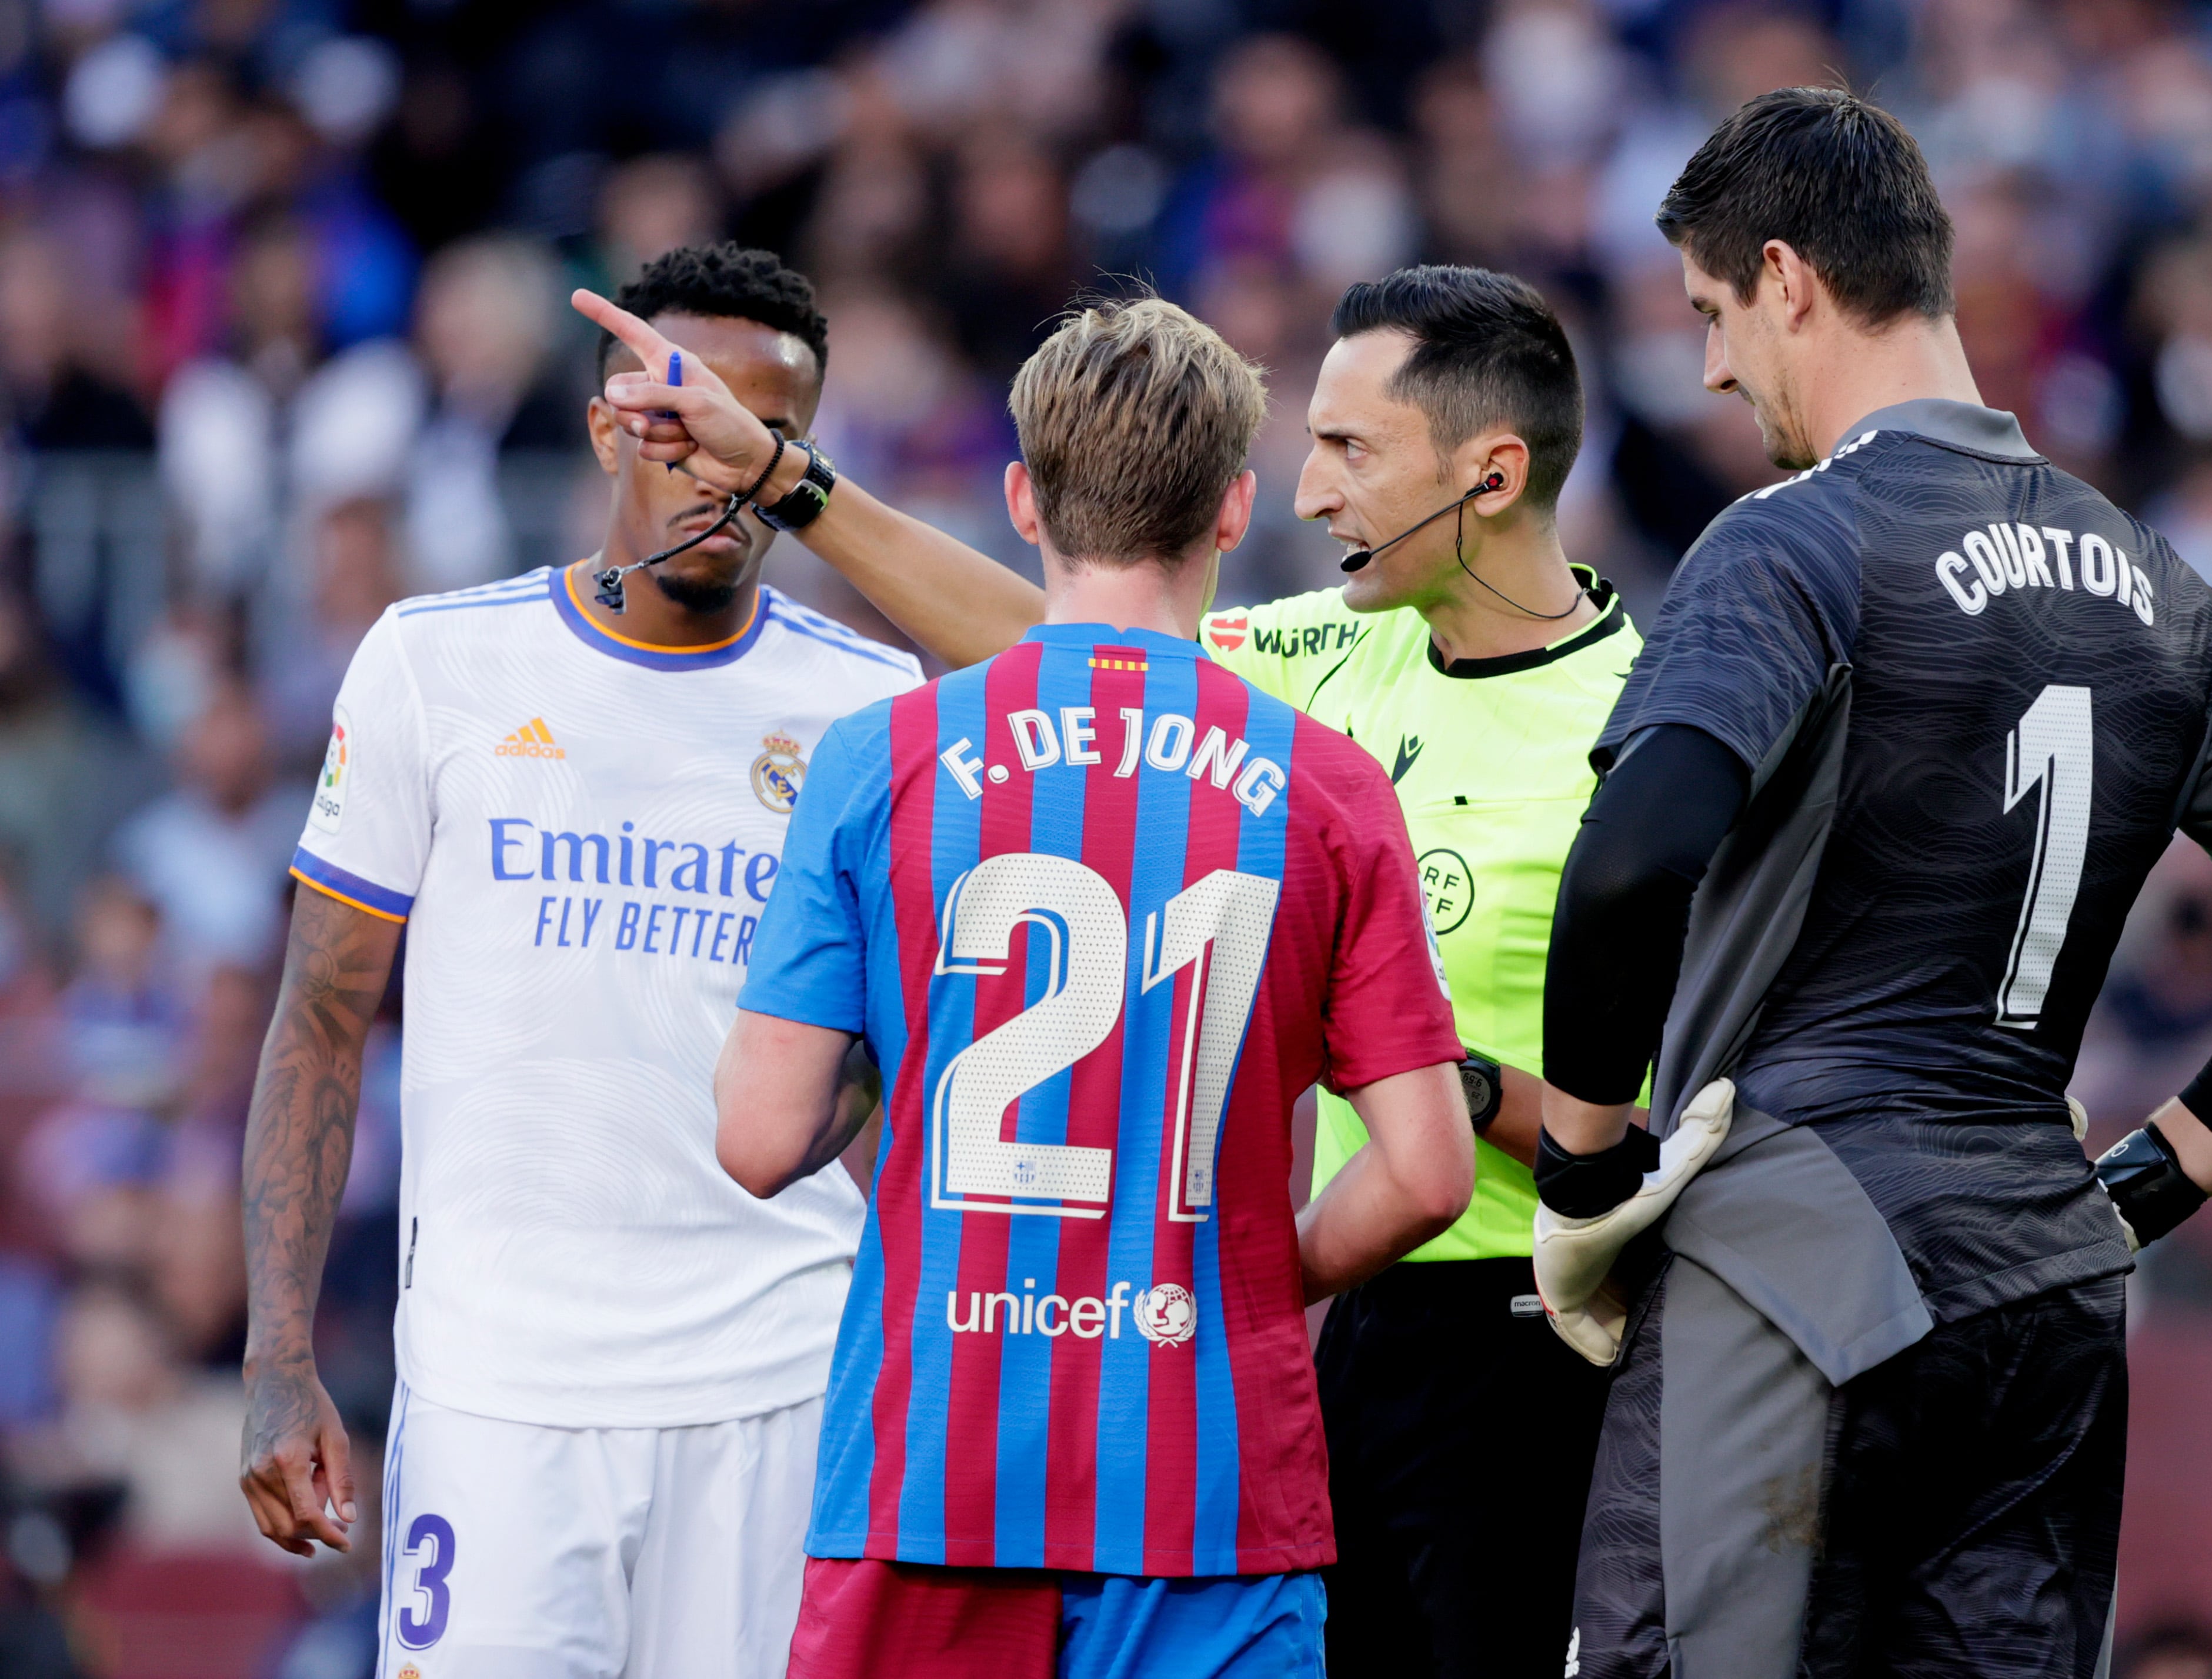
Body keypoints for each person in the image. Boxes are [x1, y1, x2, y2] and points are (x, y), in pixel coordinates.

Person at [585, 263, 1639, 1678]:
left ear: (1022, 499)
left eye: (1350, 447)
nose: (1319, 489)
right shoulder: (1321, 735)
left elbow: (763, 1132)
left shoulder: (880, 760)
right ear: (1230, 510)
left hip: (984, 1441)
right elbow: (1072, 663)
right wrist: (787, 477)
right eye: (1302, 451)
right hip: (1223, 1417)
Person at [1531, 88, 2212, 1679]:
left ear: (1787, 275)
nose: (1707, 367)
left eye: (1709, 312)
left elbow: (1630, 865)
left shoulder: (1792, 542)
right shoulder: (2164, 590)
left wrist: (1582, 1177)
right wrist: (2144, 1185)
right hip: (2044, 1275)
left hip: (1792, 1260)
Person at [236, 242, 923, 1678]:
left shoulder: (871, 704)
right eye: (681, 422)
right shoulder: (437, 663)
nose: (722, 465)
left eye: (767, 434)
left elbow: (897, 1067)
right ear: (610, 425)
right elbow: (319, 1016)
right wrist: (277, 1353)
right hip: (500, 1388)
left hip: (779, 1384)